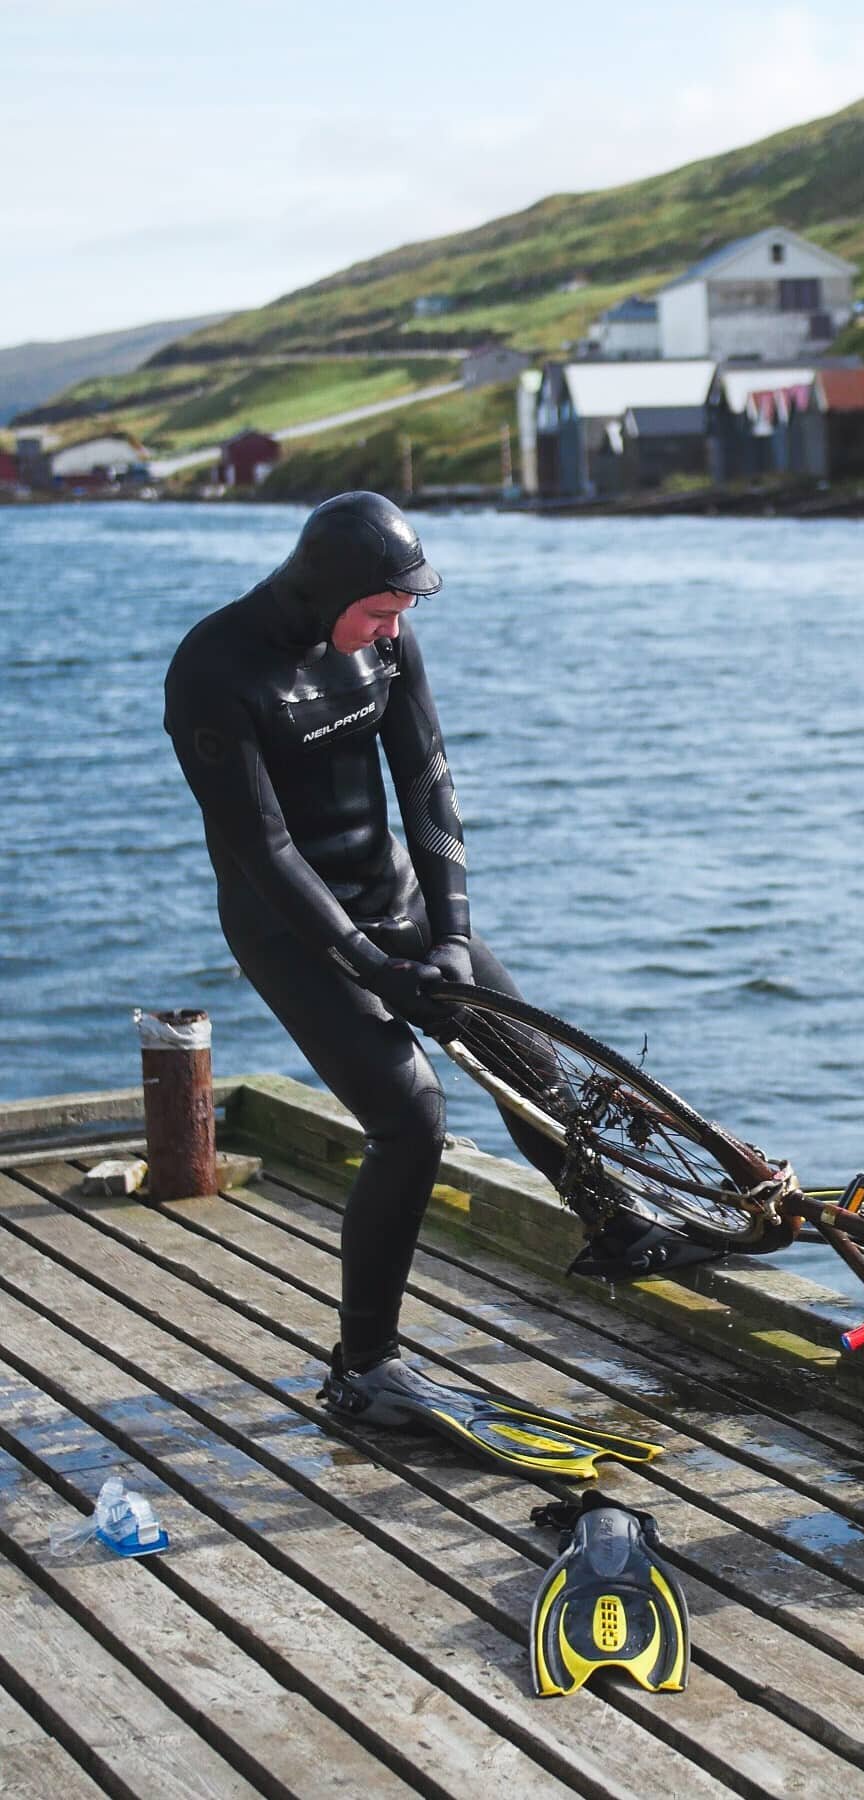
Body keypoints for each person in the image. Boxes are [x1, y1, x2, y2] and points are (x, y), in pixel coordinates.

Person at [163, 491, 685, 1474]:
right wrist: (370, 969)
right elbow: (267, 852)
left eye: (404, 610)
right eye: (381, 610)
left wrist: (451, 938)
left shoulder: (386, 642)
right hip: (292, 931)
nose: (396, 628)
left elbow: (428, 781)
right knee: (411, 1118)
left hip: (394, 893)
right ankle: (366, 1369)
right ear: (328, 591)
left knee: (530, 1054)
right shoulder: (215, 671)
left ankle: (615, 1227)